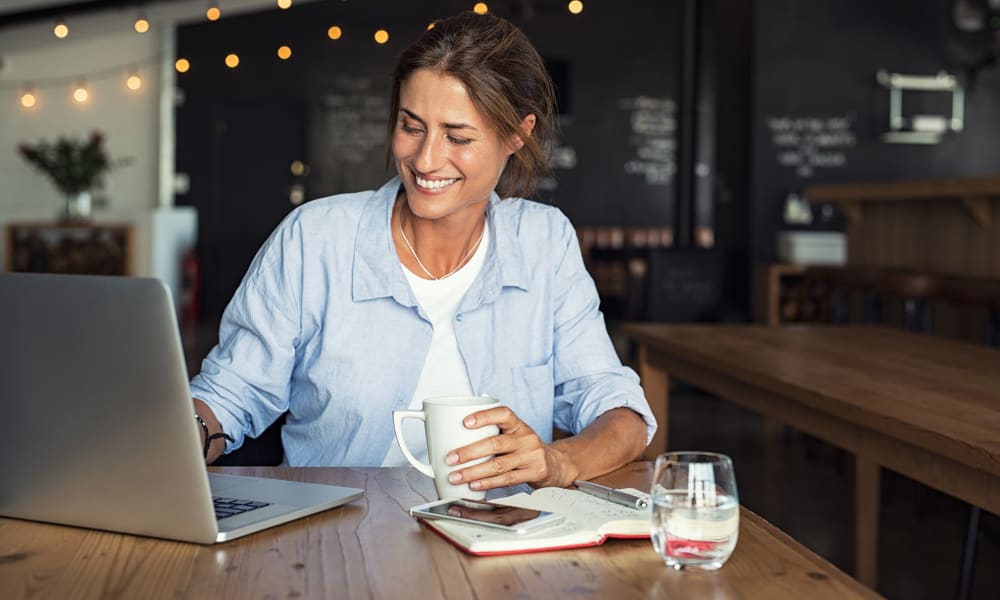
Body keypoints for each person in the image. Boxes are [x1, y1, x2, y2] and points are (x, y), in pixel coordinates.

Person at [191, 11, 656, 493]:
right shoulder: (316, 237)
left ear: (517, 135)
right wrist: (180, 436)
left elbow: (621, 415)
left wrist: (557, 461)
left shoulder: (544, 243)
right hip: (336, 543)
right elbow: (231, 392)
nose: (426, 159)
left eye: (458, 137)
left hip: (503, 549)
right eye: (412, 126)